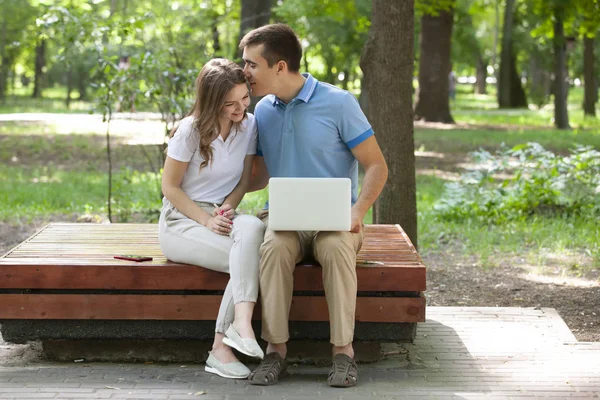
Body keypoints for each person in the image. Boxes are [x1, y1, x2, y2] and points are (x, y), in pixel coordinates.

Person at [239, 24, 389, 387]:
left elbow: (376, 166)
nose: (243, 72)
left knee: (337, 249)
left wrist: (358, 211)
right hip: (284, 218)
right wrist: (215, 200)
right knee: (272, 248)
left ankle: (343, 354)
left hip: (335, 221)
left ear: (279, 67)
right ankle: (276, 351)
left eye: (250, 64)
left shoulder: (338, 103)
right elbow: (257, 176)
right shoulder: (263, 112)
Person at [158, 58, 266, 380]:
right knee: (250, 258)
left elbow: (244, 181)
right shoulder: (190, 130)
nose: (240, 108)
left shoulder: (249, 125)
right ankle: (222, 346)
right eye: (229, 103)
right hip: (183, 220)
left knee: (254, 226)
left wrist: (226, 209)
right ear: (212, 101)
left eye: (245, 98)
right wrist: (206, 220)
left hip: (222, 214)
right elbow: (169, 187)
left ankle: (239, 325)